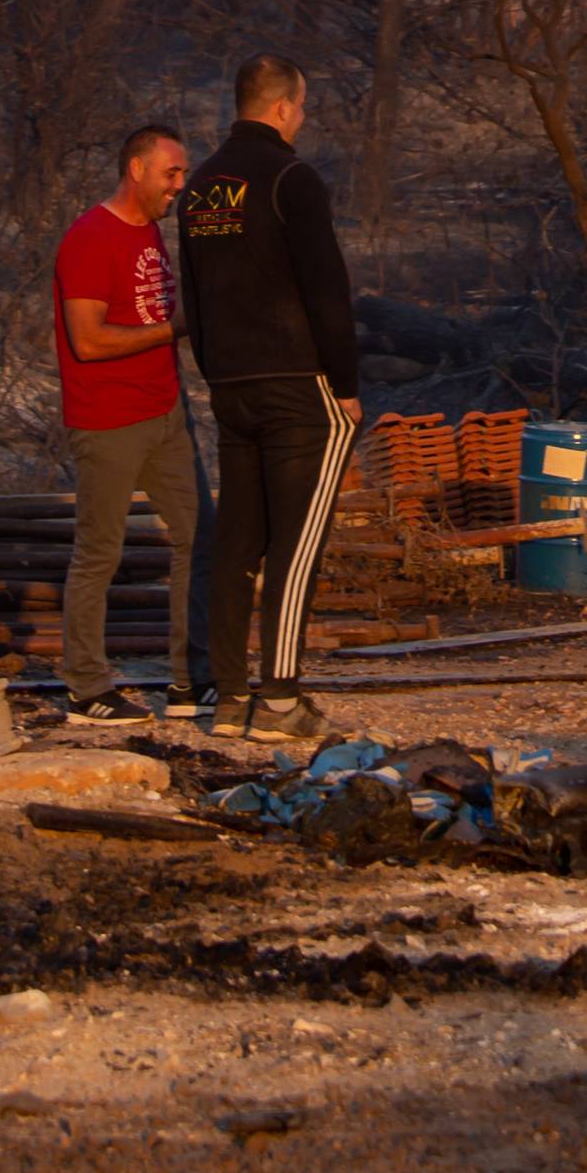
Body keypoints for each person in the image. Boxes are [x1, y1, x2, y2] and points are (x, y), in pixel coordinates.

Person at [178, 55, 361, 742]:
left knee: (238, 541)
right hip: (297, 384)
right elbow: (327, 290)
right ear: (284, 106)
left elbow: (191, 295)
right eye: (303, 106)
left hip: (230, 387)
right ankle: (280, 699)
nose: (303, 117)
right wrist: (345, 385)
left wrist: (215, 369)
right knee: (297, 540)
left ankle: (229, 697)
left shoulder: (200, 188)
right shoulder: (292, 178)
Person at [53, 120, 202, 722]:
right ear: (136, 169)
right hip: (110, 419)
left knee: (201, 536)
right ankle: (86, 686)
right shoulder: (90, 238)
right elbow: (87, 342)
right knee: (100, 551)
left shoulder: (151, 235)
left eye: (184, 174)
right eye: (172, 173)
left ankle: (191, 679)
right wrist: (178, 329)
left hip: (165, 410)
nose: (180, 185)